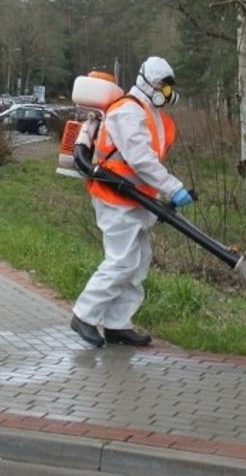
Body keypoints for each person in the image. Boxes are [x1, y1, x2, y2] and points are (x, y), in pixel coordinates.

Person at [71, 56, 193, 347]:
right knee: (122, 260)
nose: (166, 92)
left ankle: (117, 324)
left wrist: (163, 192)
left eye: (168, 87)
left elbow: (147, 161)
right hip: (115, 197)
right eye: (163, 85)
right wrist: (173, 187)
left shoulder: (148, 113)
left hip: (136, 200)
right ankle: (84, 316)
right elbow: (141, 159)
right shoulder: (127, 111)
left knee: (138, 263)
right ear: (149, 82)